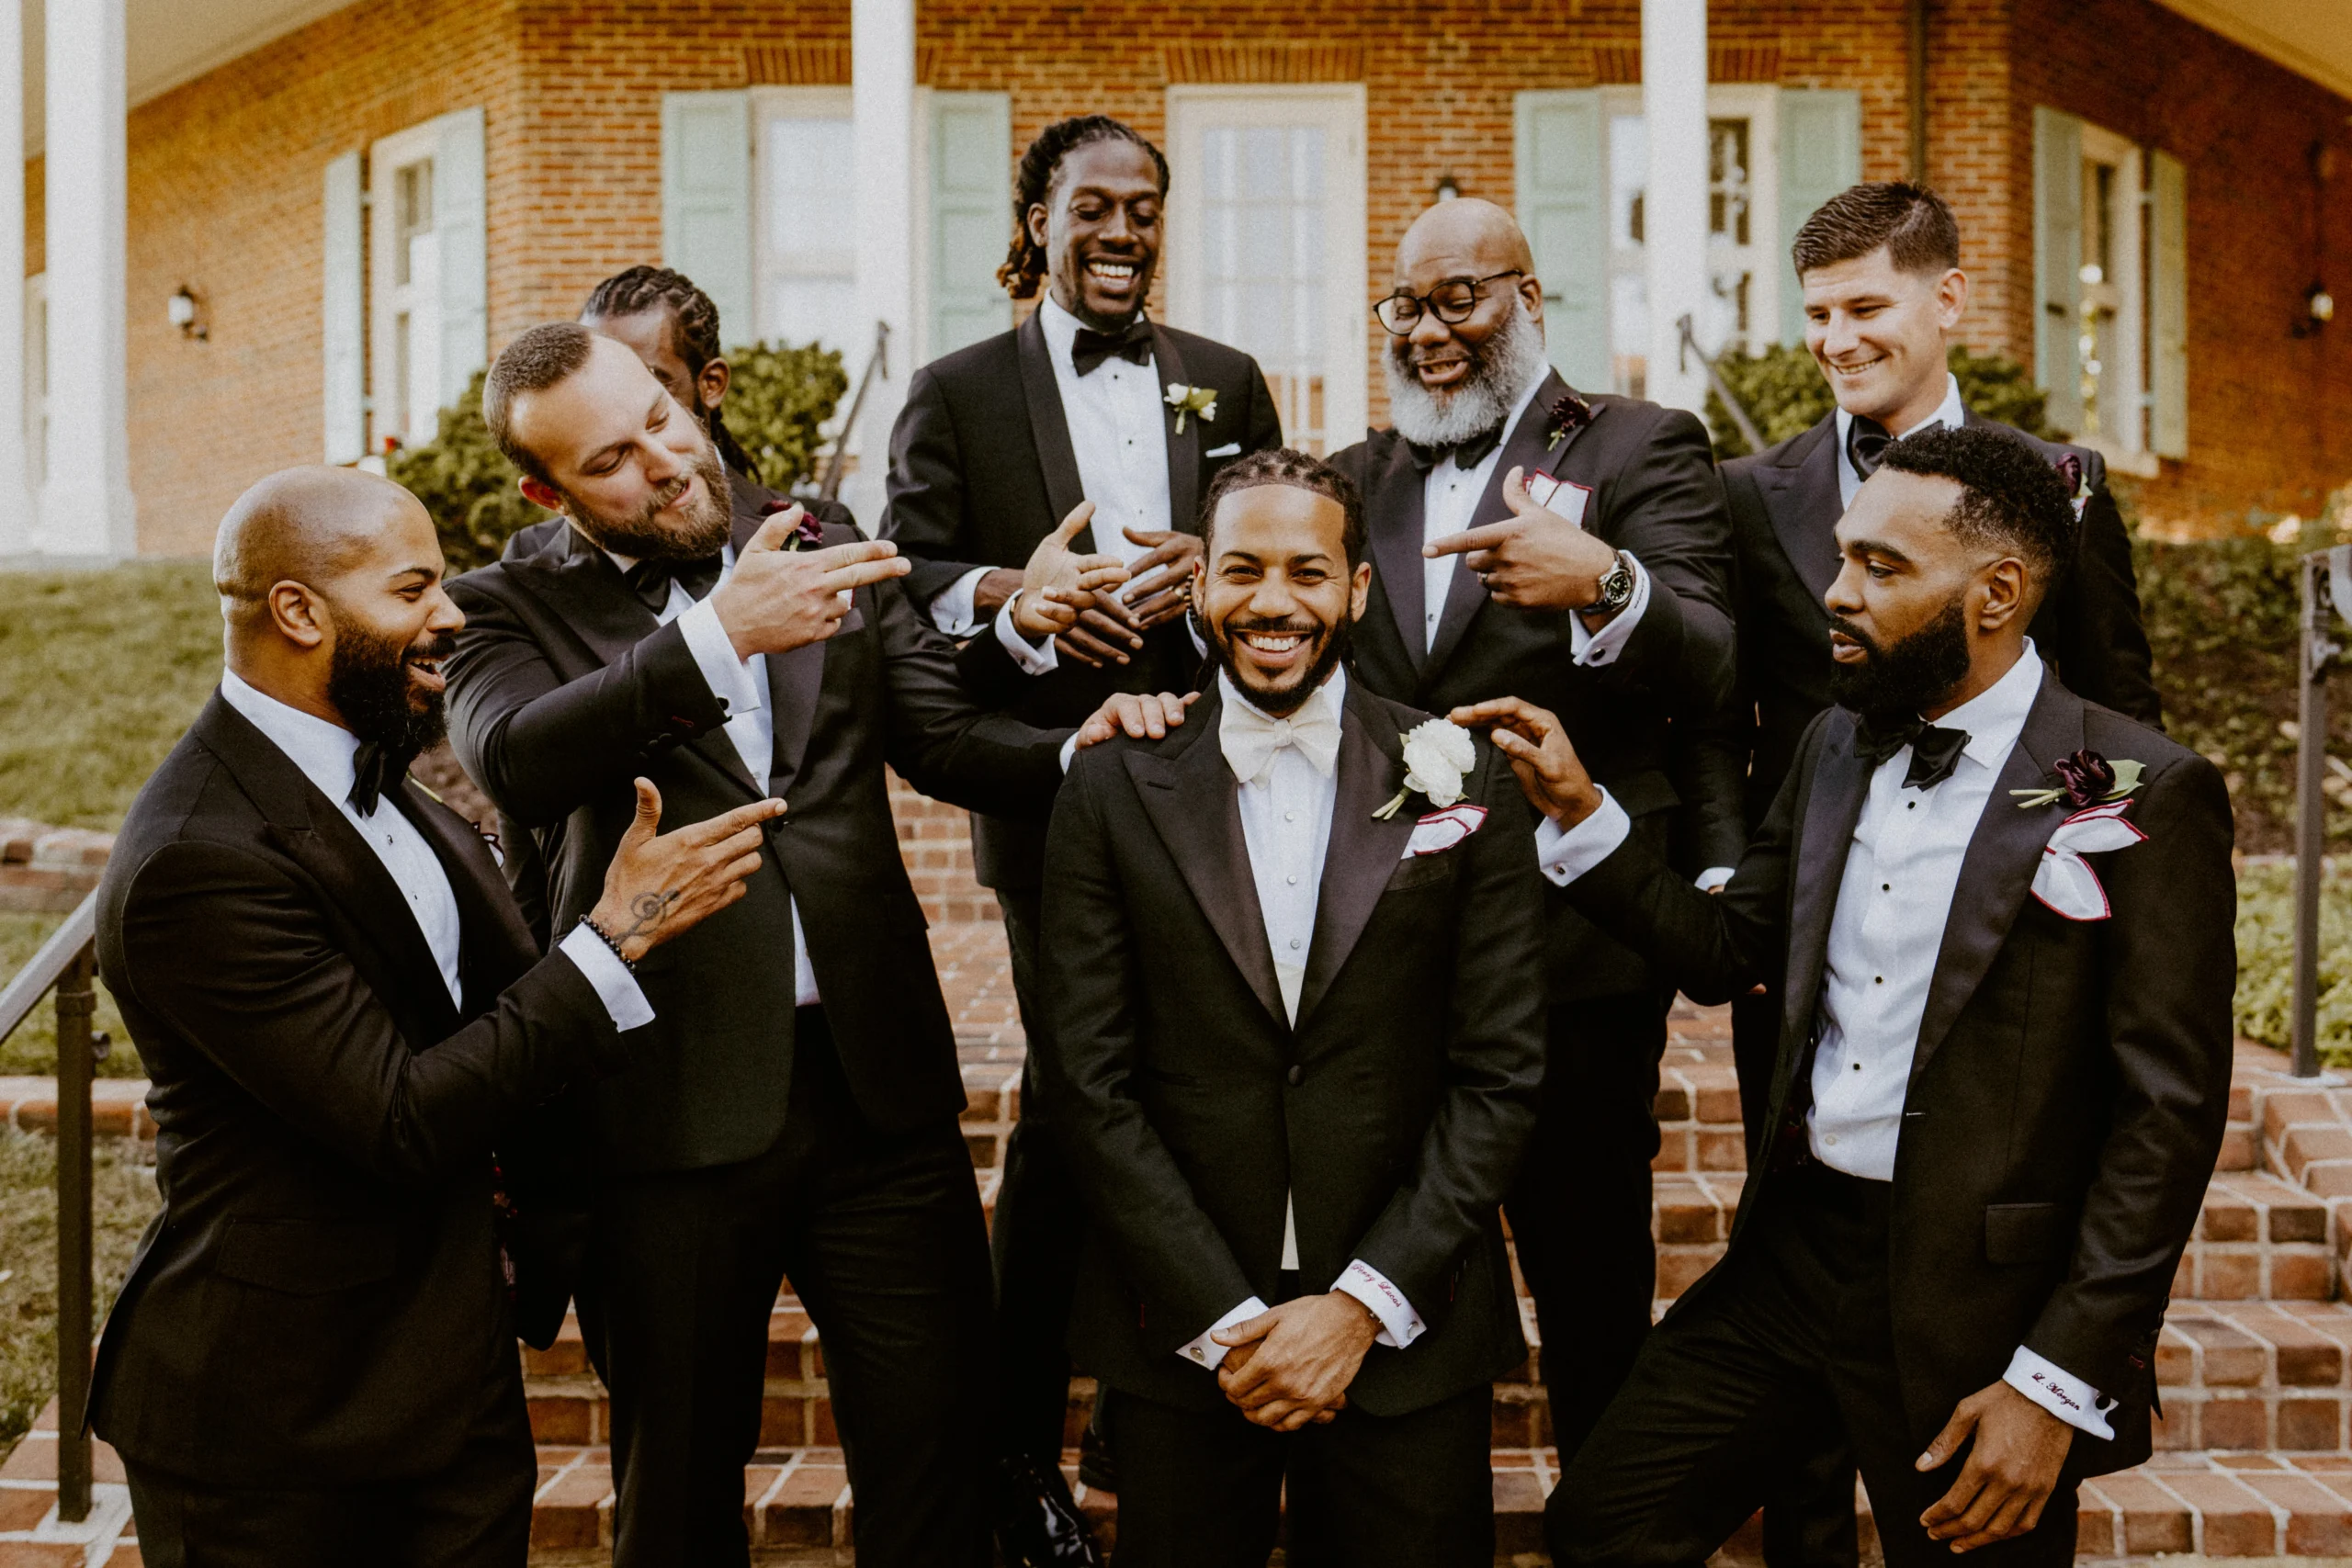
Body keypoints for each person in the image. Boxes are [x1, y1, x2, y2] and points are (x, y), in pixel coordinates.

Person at [440, 323, 1186, 1568]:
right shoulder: (501, 604)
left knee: (934, 1458)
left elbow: (935, 733)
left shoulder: (816, 532)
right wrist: (718, 634)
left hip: (877, 1096)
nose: (667, 461)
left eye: (665, 418)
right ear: (548, 491)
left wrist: (1073, 746)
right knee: (679, 1485)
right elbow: (516, 756)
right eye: (612, 460)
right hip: (666, 1112)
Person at [1458, 425, 2233, 1567]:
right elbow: (1728, 950)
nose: (1835, 593)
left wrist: (2056, 1379)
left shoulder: (2137, 790)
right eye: (1839, 557)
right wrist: (1582, 817)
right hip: (1794, 1258)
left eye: (1881, 567)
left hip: (1981, 1306)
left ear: (1998, 594)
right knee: (1606, 1520)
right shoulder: (1833, 744)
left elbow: (2165, 1119)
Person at [89, 466, 780, 1567]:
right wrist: (612, 941)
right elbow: (401, 1116)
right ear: (299, 612)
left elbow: (487, 1018)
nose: (449, 617)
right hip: (278, 1423)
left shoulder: (386, 780)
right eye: (412, 591)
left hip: (448, 1382)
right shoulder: (196, 859)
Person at [1683, 181, 2166, 1564]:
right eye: (1818, 314)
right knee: (1805, 1314)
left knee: (1976, 1281)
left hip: (2006, 976)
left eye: (1867, 307)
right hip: (1815, 946)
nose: (1838, 338)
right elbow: (1733, 716)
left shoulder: (2056, 481)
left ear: (1946, 300)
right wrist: (1735, 880)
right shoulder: (1754, 488)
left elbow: (2122, 717)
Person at [881, 113, 1282, 1563]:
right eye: (1093, 206)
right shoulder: (956, 390)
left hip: (1213, 780)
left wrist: (1209, 565)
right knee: (1073, 1103)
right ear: (1037, 217)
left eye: (1145, 209)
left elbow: (1283, 530)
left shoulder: (1224, 380)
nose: (1122, 232)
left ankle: (1149, 1393)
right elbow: (904, 576)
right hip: (1053, 791)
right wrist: (1015, 594)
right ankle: (1015, 1447)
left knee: (1207, 1082)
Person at [1037, 448, 1546, 1567]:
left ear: (1357, 589)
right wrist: (1225, 1325)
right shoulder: (1113, 780)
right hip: (1180, 1327)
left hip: (1406, 1324)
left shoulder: (1462, 775)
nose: (1274, 602)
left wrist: (1359, 1307)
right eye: (1242, 571)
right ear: (1200, 588)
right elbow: (1086, 1080)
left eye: (1308, 573)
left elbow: (1500, 1074)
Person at [1326, 196, 1736, 1461]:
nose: (1431, 330)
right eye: (1408, 305)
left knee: (1589, 1261)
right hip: (1394, 937)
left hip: (1577, 940)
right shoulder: (1355, 476)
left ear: (1530, 293)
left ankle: (1604, 1514)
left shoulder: (1640, 442)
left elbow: (1715, 658)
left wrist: (1607, 582)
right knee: (1399, 1251)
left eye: (1463, 297)